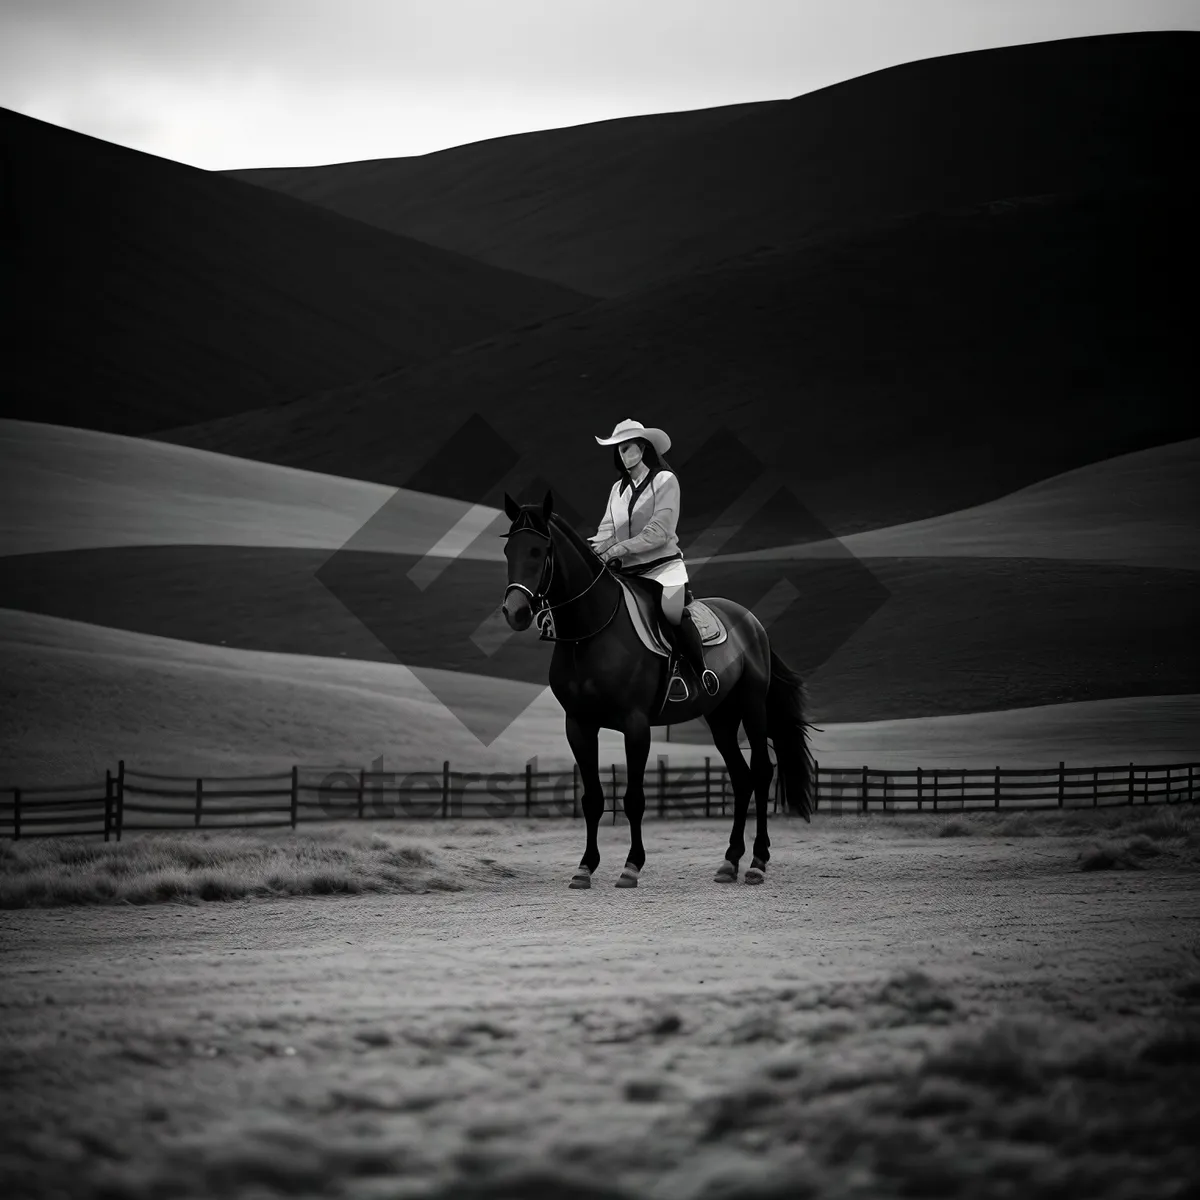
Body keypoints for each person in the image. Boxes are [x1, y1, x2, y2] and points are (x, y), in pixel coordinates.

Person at [589, 418, 719, 700]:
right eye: (619, 450)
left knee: (671, 613)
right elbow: (608, 531)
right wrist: (594, 550)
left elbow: (659, 532)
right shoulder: (617, 490)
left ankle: (693, 669)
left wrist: (616, 550)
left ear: (643, 448)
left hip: (664, 568)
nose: (623, 455)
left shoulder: (664, 481)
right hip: (628, 572)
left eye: (628, 448)